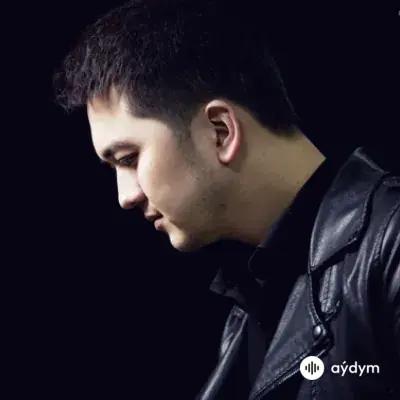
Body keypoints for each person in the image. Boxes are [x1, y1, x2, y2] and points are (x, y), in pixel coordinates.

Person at [53, 1, 400, 398]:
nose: (124, 197)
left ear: (219, 131)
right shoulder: (251, 308)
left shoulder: (390, 248)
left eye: (129, 158)